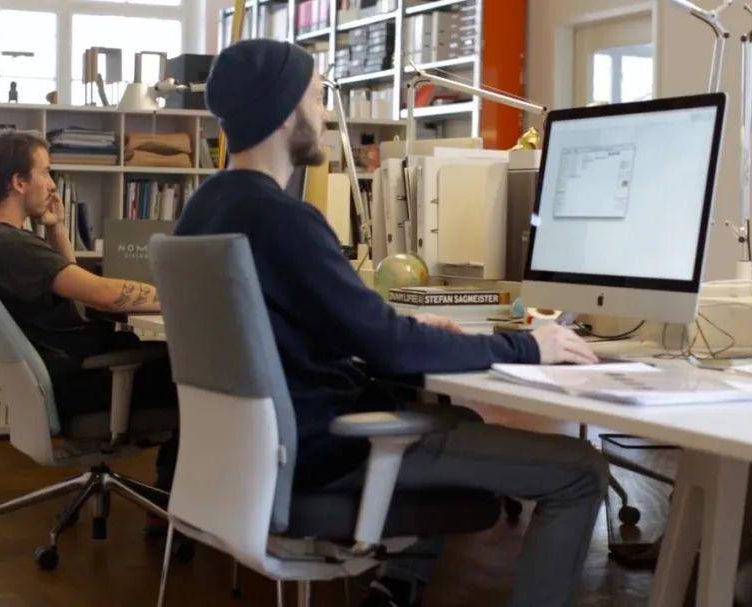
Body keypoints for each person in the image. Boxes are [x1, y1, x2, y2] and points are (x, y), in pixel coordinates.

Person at [175, 39, 609, 607]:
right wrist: (529, 347)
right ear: (283, 113)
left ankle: (394, 589)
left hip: (260, 454)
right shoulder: (282, 219)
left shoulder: (204, 209)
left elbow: (305, 327)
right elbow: (389, 347)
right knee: (581, 470)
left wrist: (400, 331)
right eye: (316, 99)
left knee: (450, 415)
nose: (325, 116)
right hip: (328, 451)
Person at [0, 129, 178, 514]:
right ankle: (175, 509)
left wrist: (56, 227)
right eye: (45, 172)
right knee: (195, 380)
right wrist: (176, 294)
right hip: (83, 380)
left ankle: (170, 505)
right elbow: (102, 293)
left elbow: (70, 280)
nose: (51, 183)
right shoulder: (13, 246)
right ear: (19, 182)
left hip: (69, 374)